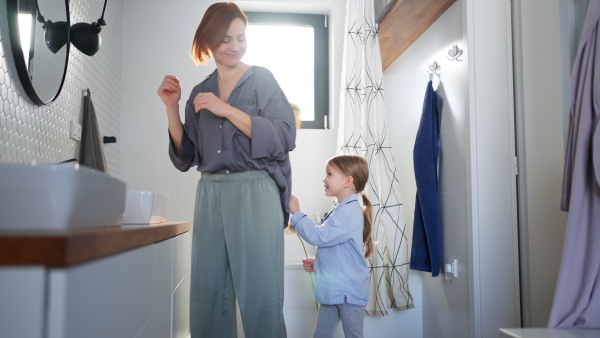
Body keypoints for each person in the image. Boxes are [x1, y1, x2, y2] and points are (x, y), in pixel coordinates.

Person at [156, 3, 296, 337]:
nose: (235, 46)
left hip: (255, 191)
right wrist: (172, 109)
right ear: (208, 43)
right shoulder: (198, 94)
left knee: (261, 295)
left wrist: (226, 110)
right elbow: (186, 155)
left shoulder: (261, 79)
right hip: (210, 194)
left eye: (240, 38)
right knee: (208, 295)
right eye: (225, 40)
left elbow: (284, 135)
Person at [288, 154, 374, 338]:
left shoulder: (348, 211)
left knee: (353, 335)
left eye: (329, 174)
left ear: (347, 181)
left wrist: (297, 213)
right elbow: (336, 248)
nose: (324, 179)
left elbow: (319, 236)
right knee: (321, 335)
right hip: (335, 289)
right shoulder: (342, 209)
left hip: (348, 291)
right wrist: (318, 264)